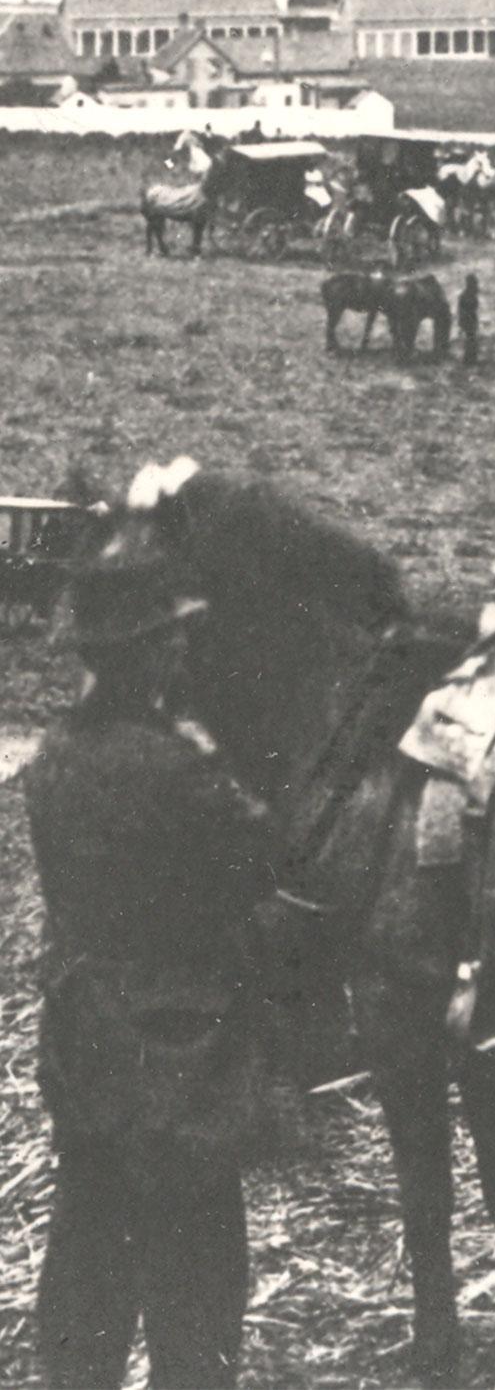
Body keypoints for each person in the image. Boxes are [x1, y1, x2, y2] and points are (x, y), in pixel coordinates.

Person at [24, 558, 275, 1390]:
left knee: (86, 1268)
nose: (180, 654)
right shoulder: (185, 770)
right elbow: (255, 868)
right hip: (183, 1057)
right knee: (196, 1289)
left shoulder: (53, 753)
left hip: (88, 1043)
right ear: (143, 655)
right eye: (169, 641)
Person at [458, 274, 482, 365]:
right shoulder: (466, 296)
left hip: (470, 320)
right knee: (471, 340)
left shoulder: (468, 295)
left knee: (471, 340)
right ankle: (469, 360)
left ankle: (470, 359)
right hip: (469, 320)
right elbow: (462, 310)